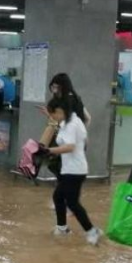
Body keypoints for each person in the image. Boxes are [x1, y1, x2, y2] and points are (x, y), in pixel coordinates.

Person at [44, 96, 103, 244]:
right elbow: (84, 141)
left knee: (72, 202)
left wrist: (49, 151)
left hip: (75, 170)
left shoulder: (71, 124)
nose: (52, 118)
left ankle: (92, 231)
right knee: (59, 197)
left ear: (60, 111)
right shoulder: (70, 122)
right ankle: (62, 228)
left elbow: (70, 147)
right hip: (70, 169)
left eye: (53, 115)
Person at [39, 73, 92, 146]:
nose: (53, 89)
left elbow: (57, 123)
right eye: (52, 86)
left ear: (62, 87)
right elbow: (88, 118)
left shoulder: (70, 101)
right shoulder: (73, 99)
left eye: (55, 86)